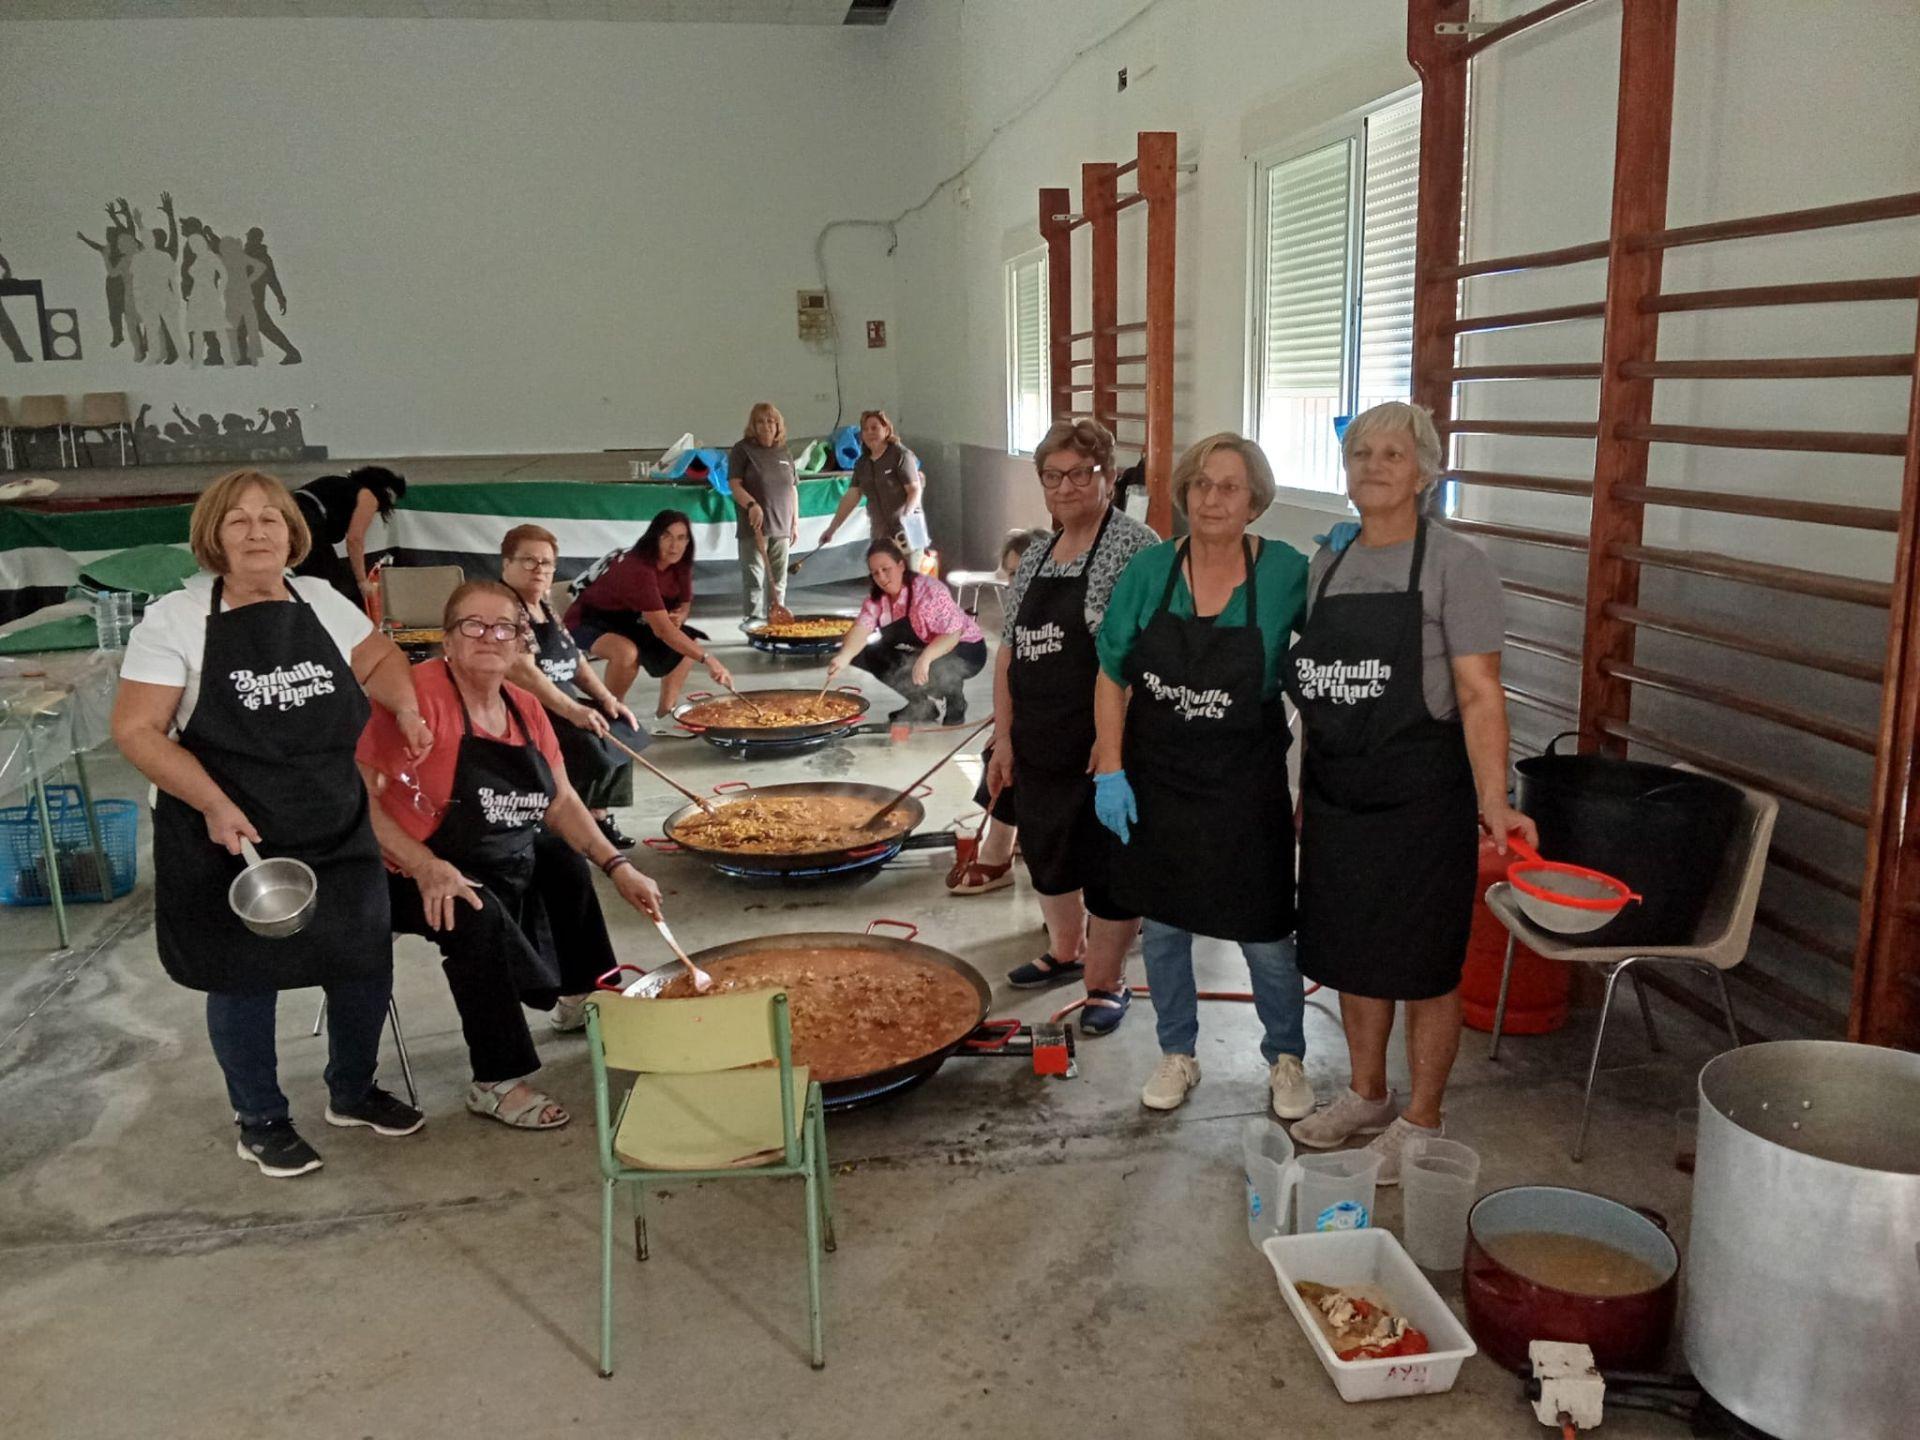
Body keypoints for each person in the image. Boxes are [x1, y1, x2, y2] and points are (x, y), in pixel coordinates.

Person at [112, 469, 435, 1179]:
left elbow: (379, 657)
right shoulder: (174, 620)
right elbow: (137, 731)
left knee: (363, 960)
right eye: (238, 520)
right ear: (214, 538)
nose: (257, 532)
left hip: (332, 817)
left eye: (270, 519)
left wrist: (406, 706)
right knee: (243, 975)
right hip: (231, 832)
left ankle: (352, 1091)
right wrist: (213, 803)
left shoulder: (321, 599)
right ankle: (259, 1119)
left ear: (293, 534)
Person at [1285, 402, 1535, 1181]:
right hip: (1338, 791)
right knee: (1352, 952)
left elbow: (1480, 693)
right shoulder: (1328, 564)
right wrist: (1303, 788)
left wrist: (1494, 800)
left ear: (1425, 473)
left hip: (1422, 792)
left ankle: (1423, 1118)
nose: (1373, 466)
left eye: (1393, 454)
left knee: (1424, 964)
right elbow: (1321, 688)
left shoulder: (1457, 565)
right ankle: (1367, 1094)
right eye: (1361, 452)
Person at [356, 581, 666, 1132]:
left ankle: (583, 996)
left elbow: (561, 802)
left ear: (522, 642)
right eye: (472, 625)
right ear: (448, 639)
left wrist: (619, 867)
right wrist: (424, 866)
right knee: (472, 912)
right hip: (401, 867)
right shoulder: (416, 697)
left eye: (505, 628)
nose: (489, 637)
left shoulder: (524, 708)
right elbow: (360, 801)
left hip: (491, 850)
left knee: (561, 857)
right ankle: (494, 1081)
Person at [1091, 433, 1313, 1119]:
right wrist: (1110, 768)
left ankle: (1286, 1057)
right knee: (1164, 928)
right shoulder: (1151, 570)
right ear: (1185, 494)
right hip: (1158, 780)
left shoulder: (1287, 572)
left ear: (1255, 502)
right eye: (1201, 485)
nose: (1212, 499)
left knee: (1266, 934)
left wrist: (1353, 562)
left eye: (1230, 487)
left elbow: (1328, 668)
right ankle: (1177, 1052)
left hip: (1246, 785)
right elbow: (1111, 671)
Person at [982, 422, 1159, 1045]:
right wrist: (1004, 739)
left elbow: (1143, 652)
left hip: (1101, 743)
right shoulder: (1037, 554)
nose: (1066, 487)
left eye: (1081, 473)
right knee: (1048, 852)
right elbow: (1009, 653)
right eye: (1052, 476)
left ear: (1108, 477)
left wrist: (1111, 742)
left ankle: (1107, 982)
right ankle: (1065, 950)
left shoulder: (1136, 546)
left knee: (1110, 866)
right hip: (1038, 739)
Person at [499, 523, 645, 850]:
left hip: (560, 701)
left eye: (546, 563)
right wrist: (574, 710)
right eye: (528, 560)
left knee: (622, 725)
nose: (539, 569)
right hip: (524, 708)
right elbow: (522, 672)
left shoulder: (543, 603)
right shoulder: (504, 607)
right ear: (506, 564)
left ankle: (598, 814)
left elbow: (574, 658)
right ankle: (565, 823)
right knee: (590, 745)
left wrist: (606, 698)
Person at [951, 527, 1052, 897]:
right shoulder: (1020, 613)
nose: (1017, 583)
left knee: (1013, 755)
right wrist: (1005, 724)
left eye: (1025, 572)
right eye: (1011, 574)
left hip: (1074, 724)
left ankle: (998, 853)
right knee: (998, 750)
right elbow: (1011, 673)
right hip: (1036, 715)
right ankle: (1012, 837)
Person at [564, 510, 734, 714]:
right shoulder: (638, 568)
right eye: (666, 536)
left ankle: (666, 713)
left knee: (687, 645)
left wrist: (680, 616)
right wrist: (710, 660)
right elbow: (663, 630)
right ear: (654, 537)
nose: (674, 546)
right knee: (626, 653)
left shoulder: (680, 563)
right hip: (589, 618)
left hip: (632, 619)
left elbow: (685, 602)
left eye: (681, 538)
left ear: (688, 541)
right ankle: (611, 712)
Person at [825, 539, 985, 724]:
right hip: (927, 647)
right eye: (875, 573)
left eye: (886, 569)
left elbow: (952, 634)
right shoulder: (877, 600)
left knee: (943, 665)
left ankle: (956, 702)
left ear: (901, 566)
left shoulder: (929, 591)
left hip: (966, 648)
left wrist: (925, 658)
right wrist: (843, 657)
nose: (881, 577)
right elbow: (862, 628)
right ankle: (921, 705)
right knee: (869, 653)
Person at [811, 409, 925, 566]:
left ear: (886, 430)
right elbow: (852, 496)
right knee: (883, 576)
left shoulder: (901, 455)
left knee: (910, 576)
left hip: (908, 531)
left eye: (874, 428)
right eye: (865, 429)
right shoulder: (862, 463)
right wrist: (832, 529)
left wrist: (906, 516)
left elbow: (914, 490)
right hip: (881, 533)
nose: (870, 432)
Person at [291, 466, 408, 609]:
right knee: (328, 584)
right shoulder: (367, 496)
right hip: (307, 526)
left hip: (289, 520)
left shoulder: (336, 485)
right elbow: (354, 540)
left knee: (306, 582)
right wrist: (362, 581)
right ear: (386, 491)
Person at [728, 402, 800, 626]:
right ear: (753, 425)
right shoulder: (742, 450)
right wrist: (752, 505)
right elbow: (735, 485)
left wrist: (794, 524)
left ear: (778, 425)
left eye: (771, 421)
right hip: (754, 527)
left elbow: (793, 489)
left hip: (782, 527)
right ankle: (753, 622)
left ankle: (776, 621)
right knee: (754, 580)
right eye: (760, 421)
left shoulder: (784, 452)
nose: (766, 425)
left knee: (779, 581)